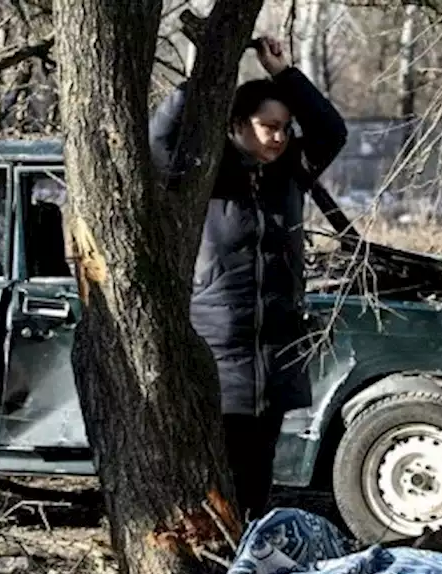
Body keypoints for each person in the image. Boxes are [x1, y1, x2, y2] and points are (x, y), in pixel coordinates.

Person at [150, 35, 348, 520]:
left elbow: (331, 131)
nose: (279, 138)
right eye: (268, 127)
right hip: (218, 349)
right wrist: (202, 78)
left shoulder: (289, 173)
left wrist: (284, 74)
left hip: (275, 350)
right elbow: (158, 141)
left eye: (285, 128)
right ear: (237, 124)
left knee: (259, 478)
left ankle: (249, 564)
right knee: (218, 478)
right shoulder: (207, 171)